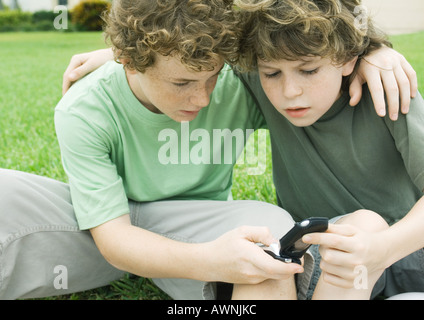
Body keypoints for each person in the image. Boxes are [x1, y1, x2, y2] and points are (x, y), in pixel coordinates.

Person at [0, 0, 310, 300]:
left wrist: (359, 55)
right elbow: (115, 240)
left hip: (196, 224)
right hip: (102, 231)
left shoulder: (241, 81)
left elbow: (309, 45)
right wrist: (211, 260)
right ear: (129, 62)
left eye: (212, 76)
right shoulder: (83, 108)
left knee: (270, 232)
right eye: (182, 83)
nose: (202, 99)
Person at [233, 0, 424, 299]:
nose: (289, 91)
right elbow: (206, 24)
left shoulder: (386, 89)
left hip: (403, 257)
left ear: (349, 58)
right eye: (272, 74)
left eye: (308, 70)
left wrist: (375, 48)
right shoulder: (257, 76)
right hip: (320, 266)